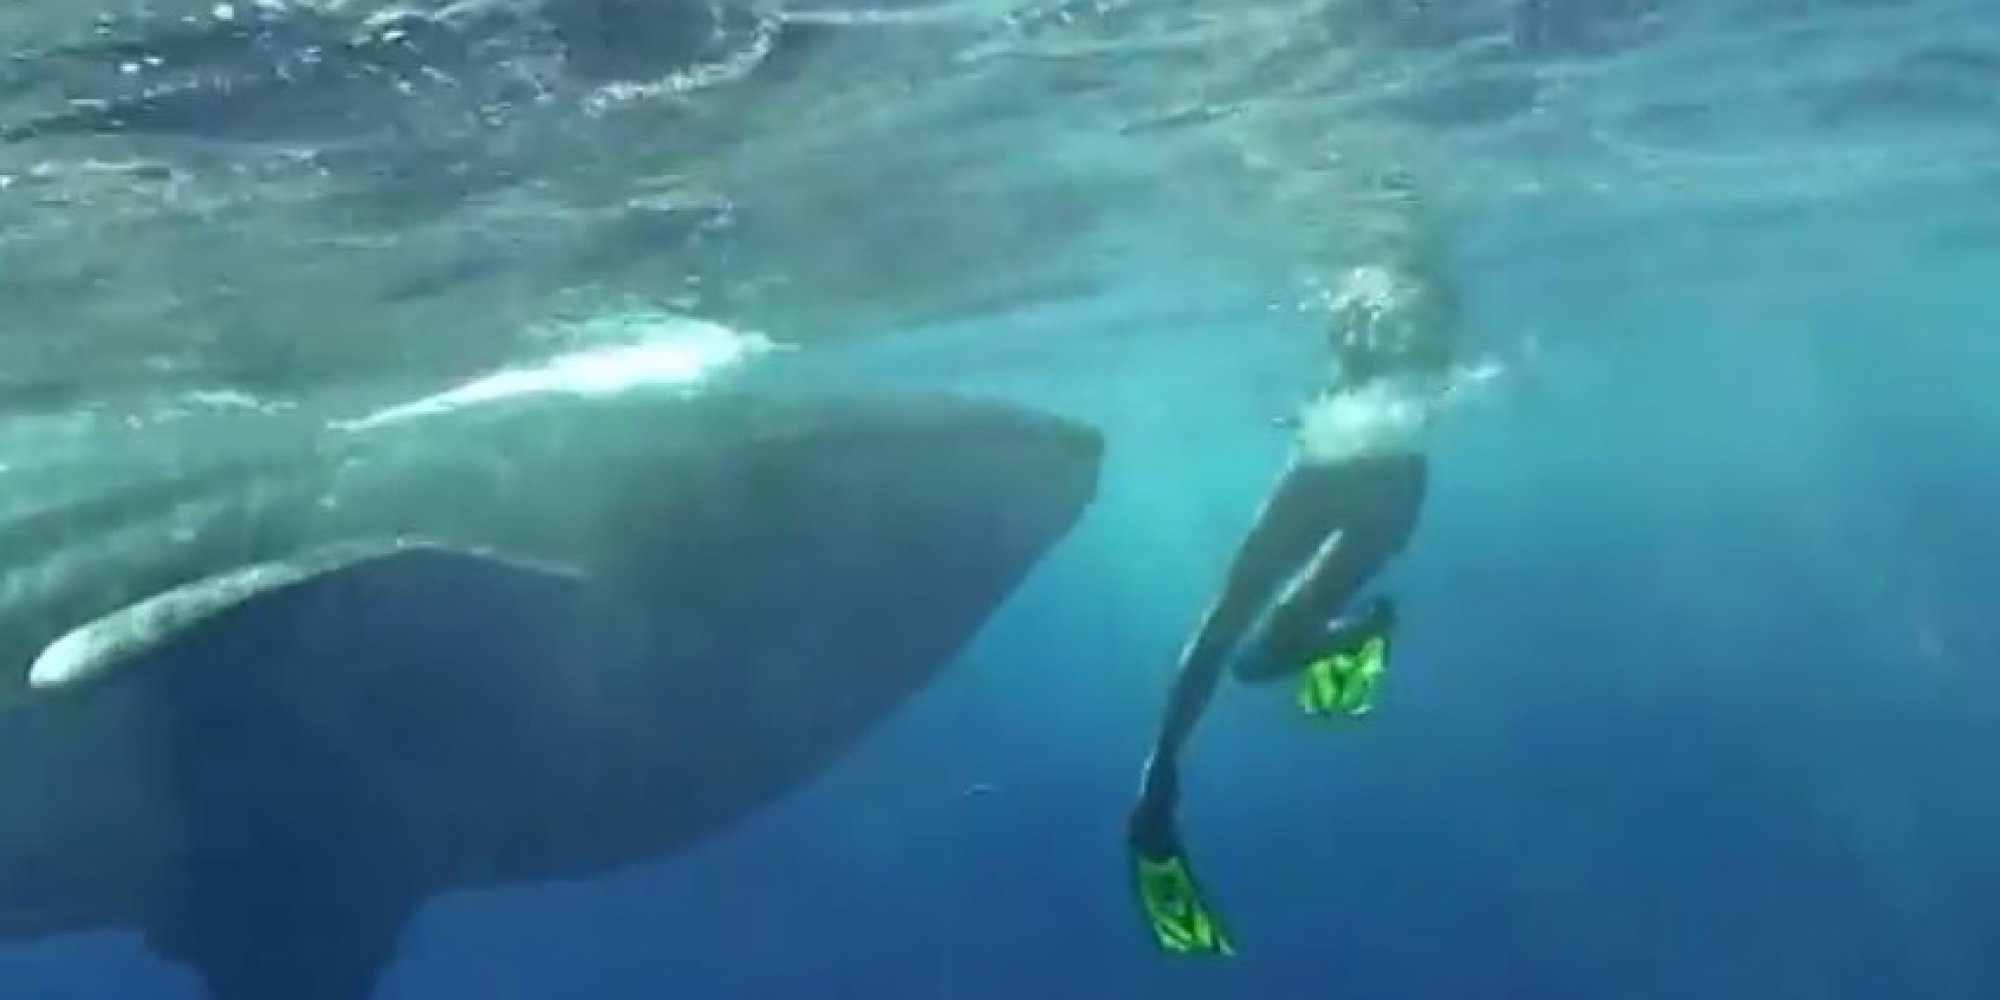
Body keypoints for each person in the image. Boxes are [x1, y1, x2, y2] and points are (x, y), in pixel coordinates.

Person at [1127, 173, 1466, 956]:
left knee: (1247, 648)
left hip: (1378, 485)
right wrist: (1161, 773)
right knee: (1243, 655)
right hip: (1326, 467)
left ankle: (1362, 629)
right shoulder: (1376, 293)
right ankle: (1356, 634)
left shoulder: (1418, 291)